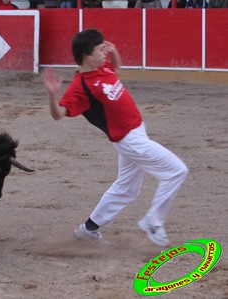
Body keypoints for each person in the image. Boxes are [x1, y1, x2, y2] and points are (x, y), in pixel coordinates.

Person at [43, 29, 188, 247]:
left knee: (126, 189)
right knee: (177, 171)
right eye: (100, 51)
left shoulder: (101, 68)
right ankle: (153, 222)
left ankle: (89, 229)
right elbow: (59, 115)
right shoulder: (80, 87)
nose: (105, 54)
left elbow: (116, 67)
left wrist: (115, 51)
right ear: (86, 56)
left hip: (137, 131)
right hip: (130, 140)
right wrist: (52, 95)